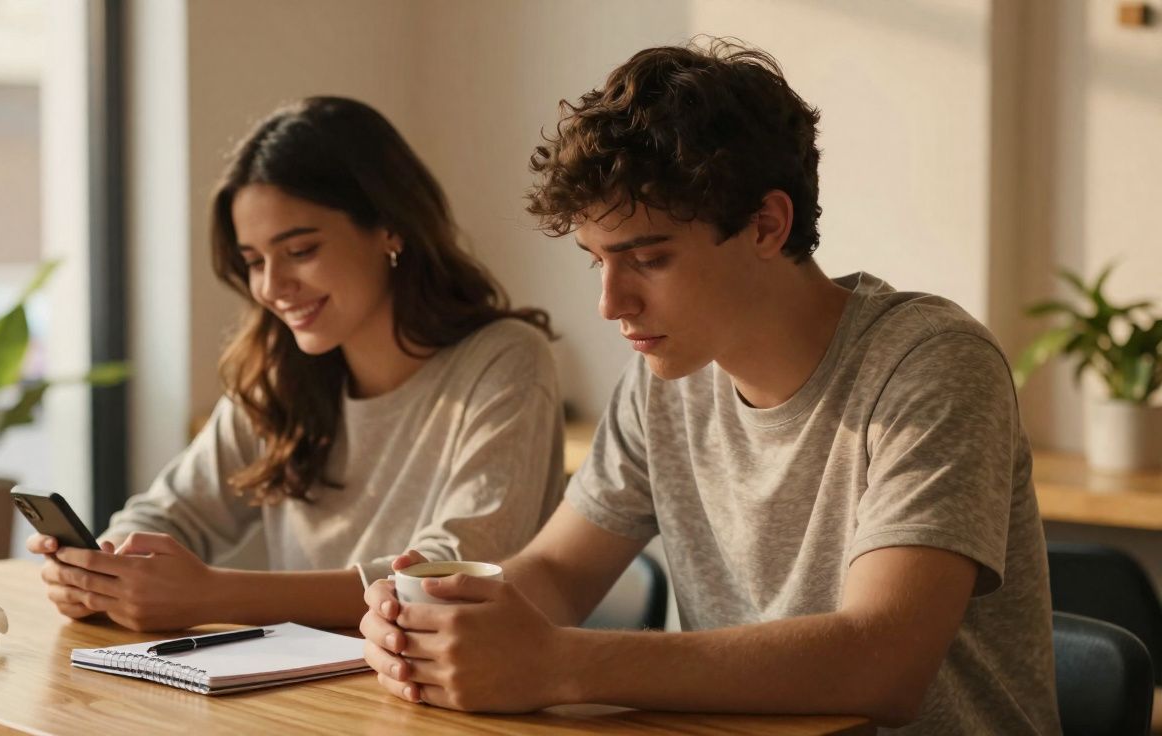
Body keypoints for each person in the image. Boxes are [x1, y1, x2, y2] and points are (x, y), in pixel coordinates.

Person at [359, 39, 1059, 733]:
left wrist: (558, 663)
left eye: (649, 258)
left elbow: (881, 664)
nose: (611, 303)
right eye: (596, 261)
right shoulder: (665, 381)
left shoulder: (932, 364)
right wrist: (441, 616)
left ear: (766, 225)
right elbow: (558, 575)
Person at [27, 97, 565, 632]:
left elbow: (450, 577)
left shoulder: (505, 360)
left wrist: (214, 595)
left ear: (389, 228)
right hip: (309, 698)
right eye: (254, 261)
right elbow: (170, 512)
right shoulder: (281, 375)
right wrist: (103, 569)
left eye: (301, 250)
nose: (271, 287)